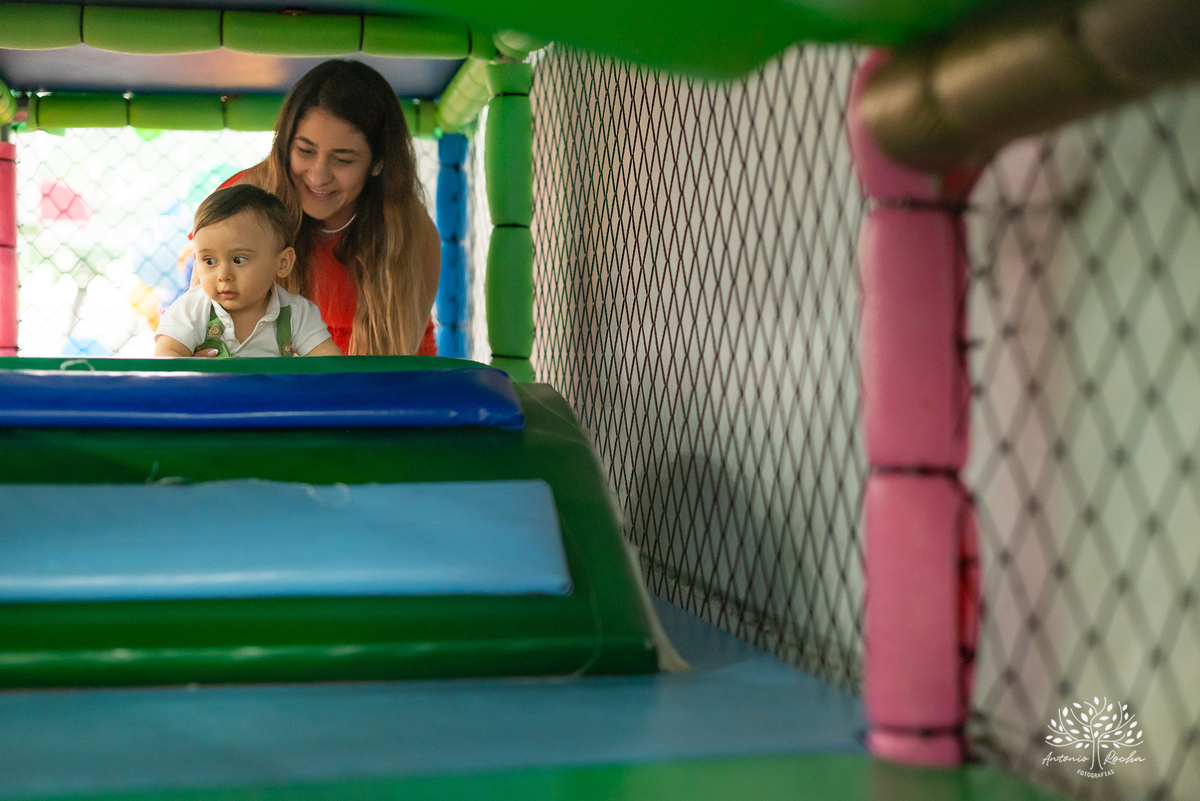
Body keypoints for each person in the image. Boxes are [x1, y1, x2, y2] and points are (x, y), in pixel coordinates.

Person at [212, 59, 440, 357]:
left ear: (378, 163)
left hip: (378, 385)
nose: (318, 176)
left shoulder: (407, 230)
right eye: (305, 151)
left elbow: (390, 372)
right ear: (284, 146)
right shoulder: (242, 204)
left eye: (343, 159)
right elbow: (200, 325)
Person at [155, 185, 341, 358]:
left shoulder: (296, 314)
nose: (223, 275)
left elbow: (330, 367)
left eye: (238, 260)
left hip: (270, 395)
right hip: (207, 394)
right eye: (209, 261)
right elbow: (167, 362)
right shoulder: (191, 309)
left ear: (282, 263)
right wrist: (188, 369)